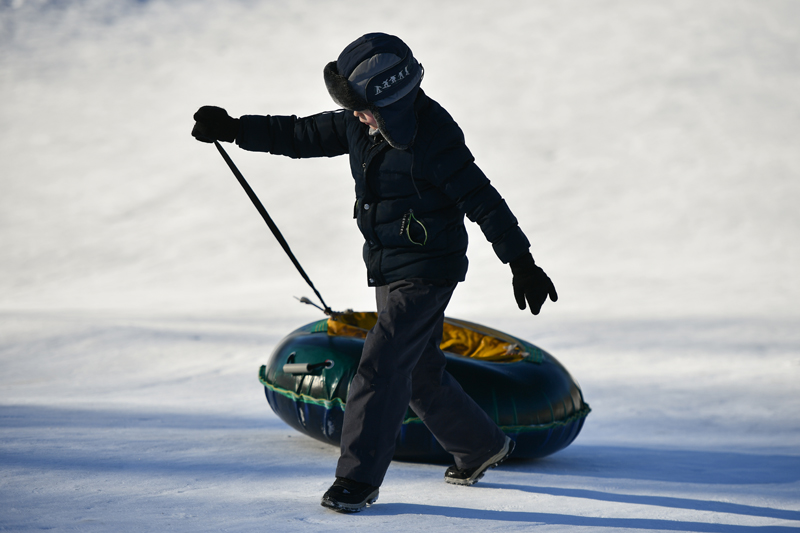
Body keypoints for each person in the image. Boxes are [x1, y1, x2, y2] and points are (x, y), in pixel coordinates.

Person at [192, 32, 557, 513]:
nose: (357, 115)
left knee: (381, 365)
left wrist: (521, 262)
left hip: (427, 270)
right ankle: (479, 445)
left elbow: (483, 201)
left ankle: (357, 480)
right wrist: (237, 128)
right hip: (388, 265)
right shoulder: (360, 125)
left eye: (364, 107)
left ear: (393, 101)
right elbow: (299, 134)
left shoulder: (435, 139)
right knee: (420, 369)